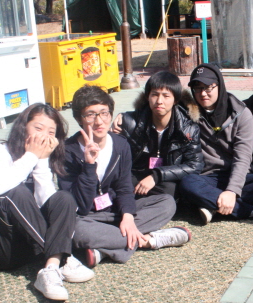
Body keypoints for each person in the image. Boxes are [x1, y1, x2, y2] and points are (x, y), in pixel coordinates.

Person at [59, 85, 191, 267]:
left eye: (104, 113)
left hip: (115, 211)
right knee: (76, 231)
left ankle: (104, 248)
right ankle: (149, 240)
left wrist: (128, 217)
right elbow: (79, 205)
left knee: (167, 203)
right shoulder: (66, 152)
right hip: (87, 217)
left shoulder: (120, 144)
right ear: (78, 118)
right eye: (90, 115)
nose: (99, 121)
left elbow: (124, 186)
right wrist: (89, 166)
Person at [0, 103, 94, 302]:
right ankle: (64, 257)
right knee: (17, 192)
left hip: (30, 247)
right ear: (23, 127)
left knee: (63, 198)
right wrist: (31, 155)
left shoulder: (42, 158)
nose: (43, 136)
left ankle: (51, 268)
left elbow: (47, 200)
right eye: (38, 128)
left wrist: (41, 161)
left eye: (50, 132)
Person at [178, 64, 253, 224]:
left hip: (236, 175)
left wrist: (232, 190)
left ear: (219, 85)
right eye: (197, 88)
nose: (203, 93)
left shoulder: (241, 113)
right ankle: (251, 211)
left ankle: (210, 203)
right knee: (187, 183)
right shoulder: (187, 112)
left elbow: (243, 156)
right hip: (205, 177)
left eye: (208, 87)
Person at [114, 71, 203, 199]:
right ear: (147, 97)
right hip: (136, 175)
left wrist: (157, 175)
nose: (159, 101)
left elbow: (195, 165)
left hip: (164, 179)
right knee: (120, 187)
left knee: (171, 191)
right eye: (155, 95)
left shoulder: (188, 128)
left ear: (175, 100)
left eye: (166, 96)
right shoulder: (129, 122)